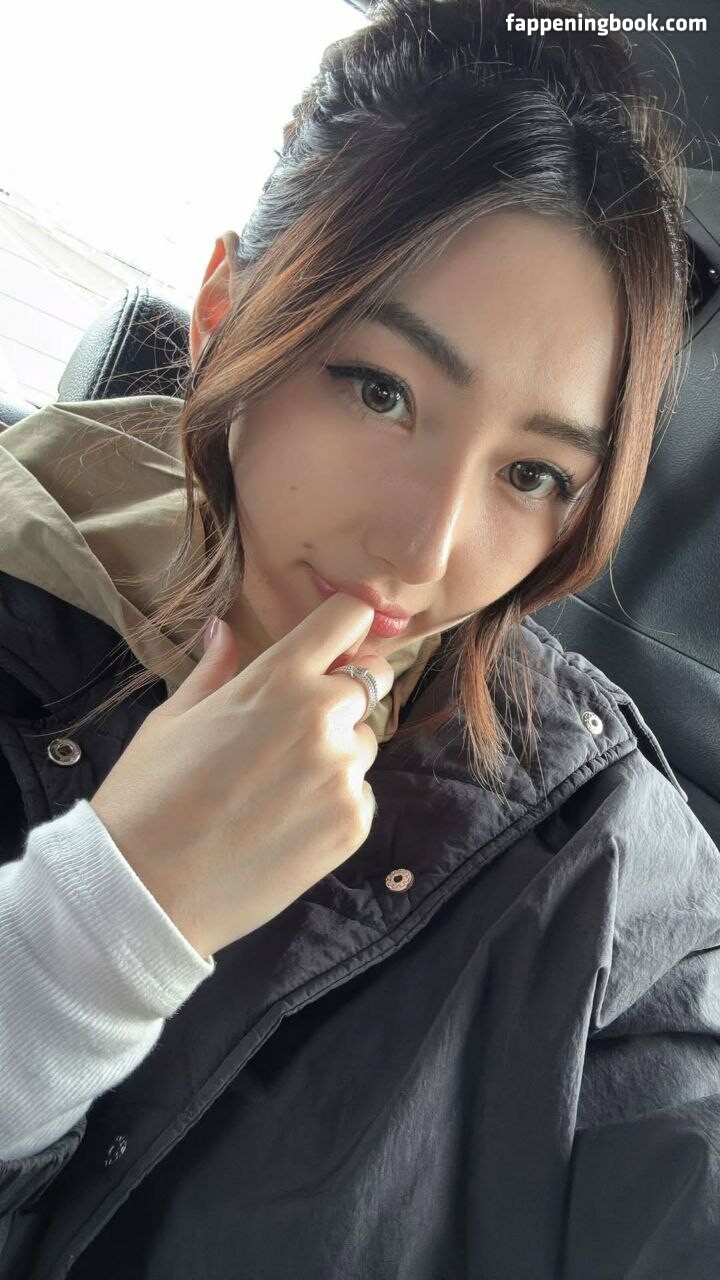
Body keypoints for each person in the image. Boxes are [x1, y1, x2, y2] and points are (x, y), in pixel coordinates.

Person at [1, 0, 718, 1275]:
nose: (425, 550)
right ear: (224, 310)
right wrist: (95, 928)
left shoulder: (605, 853)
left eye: (532, 474)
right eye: (380, 389)